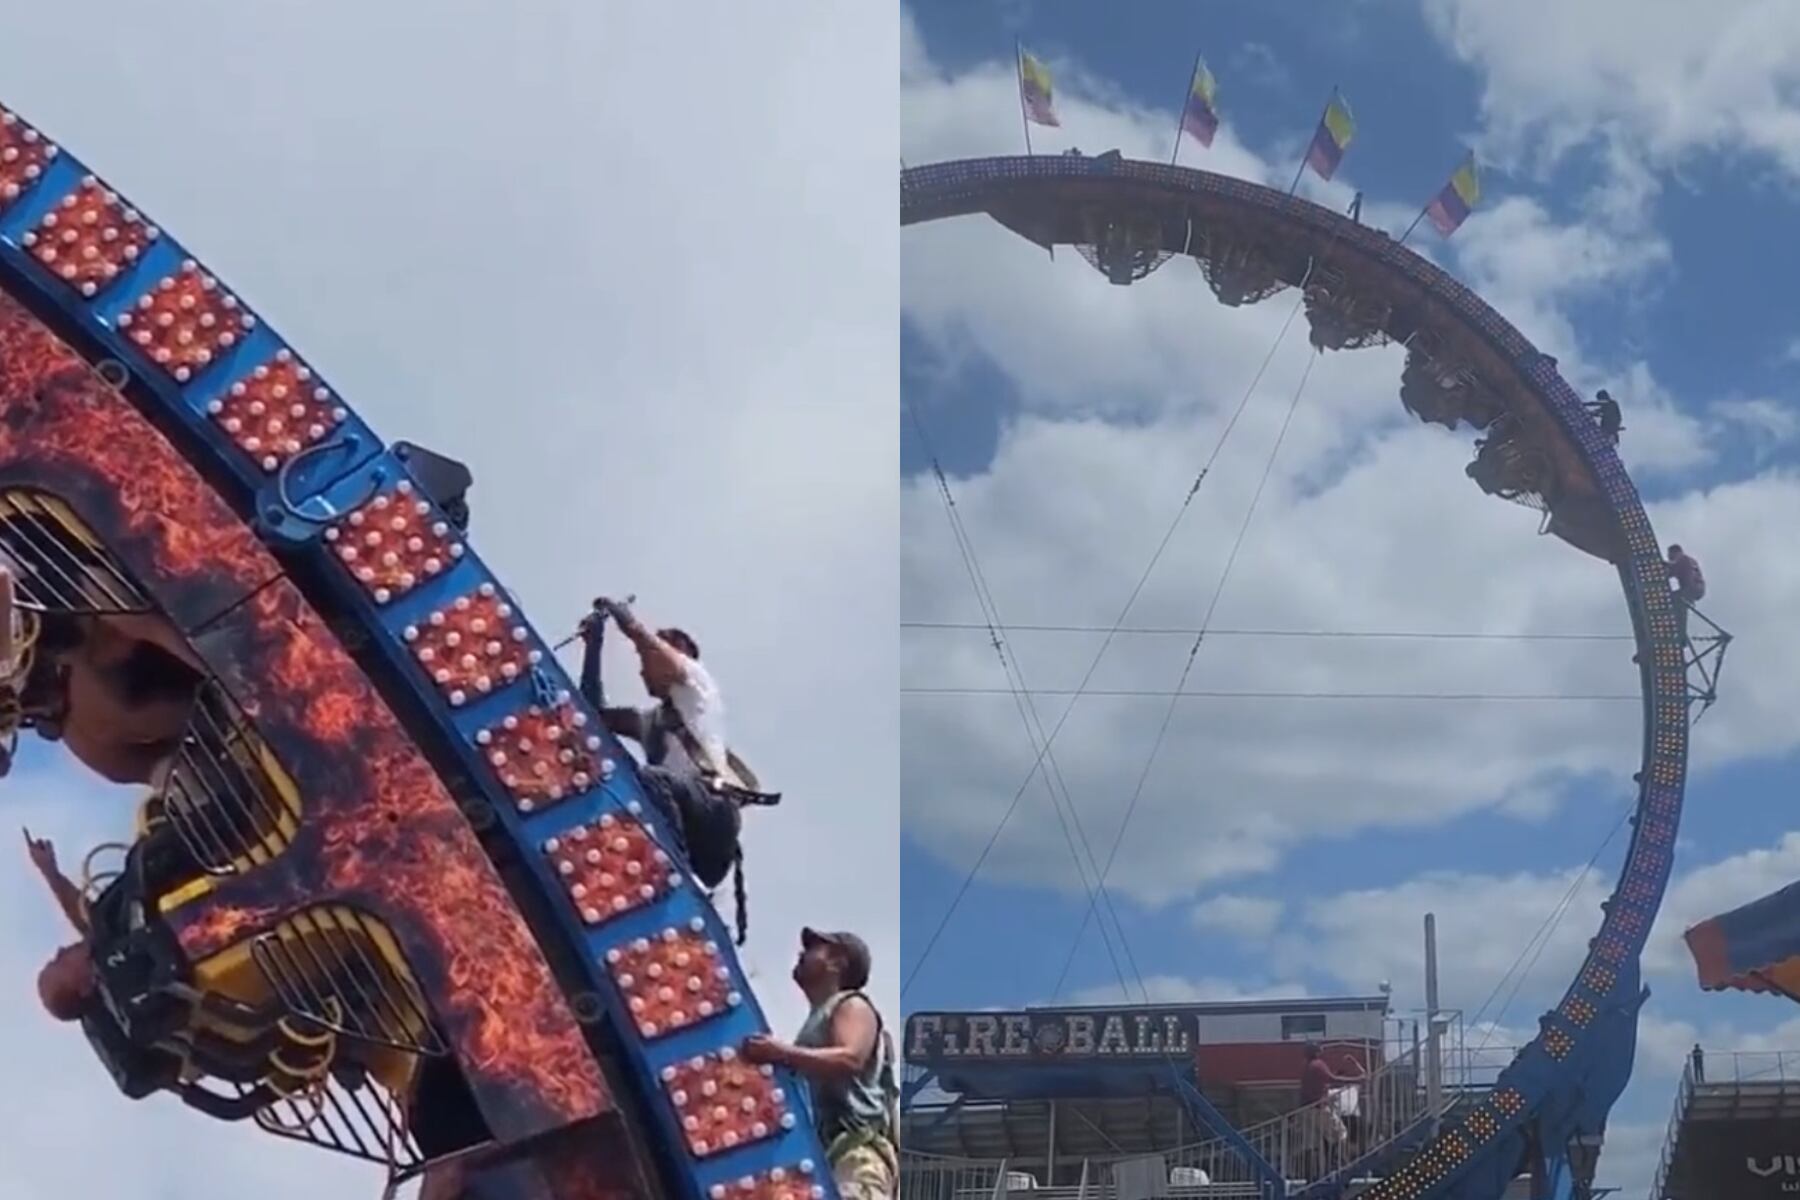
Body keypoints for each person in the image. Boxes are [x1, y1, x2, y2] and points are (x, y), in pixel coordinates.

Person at [577, 597, 768, 945]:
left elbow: (646, 643)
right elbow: (593, 714)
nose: (641, 670)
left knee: (650, 779)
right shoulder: (651, 721)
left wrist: (622, 616)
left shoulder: (697, 686)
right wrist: (594, 646)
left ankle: (674, 873)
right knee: (637, 784)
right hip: (692, 827)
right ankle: (670, 871)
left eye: (645, 660)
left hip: (713, 814)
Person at [0, 566, 207, 784]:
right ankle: (183, 782)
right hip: (58, 664)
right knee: (98, 741)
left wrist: (3, 672)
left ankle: (214, 670)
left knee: (123, 629)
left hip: (71, 587)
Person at [742, 929, 897, 1200]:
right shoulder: (817, 1019)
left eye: (815, 948)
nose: (802, 953)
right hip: (829, 1155)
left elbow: (850, 1058)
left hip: (856, 1152)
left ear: (837, 962)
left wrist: (781, 1053)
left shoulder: (852, 1004)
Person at [1296, 1041, 1364, 1179]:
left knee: (1319, 1140)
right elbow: (1332, 1078)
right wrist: (1355, 1079)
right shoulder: (1318, 1064)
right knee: (1340, 1133)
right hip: (1318, 1108)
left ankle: (1319, 1172)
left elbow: (1322, 1082)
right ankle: (1339, 1166)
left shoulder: (1306, 1066)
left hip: (1306, 1109)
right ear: (1316, 1051)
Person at [1667, 544, 1705, 638]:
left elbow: (1671, 571)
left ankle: (1680, 634)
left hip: (1690, 588)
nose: (1669, 557)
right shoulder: (1690, 560)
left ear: (1675, 552)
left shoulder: (1682, 559)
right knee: (1679, 602)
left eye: (1670, 555)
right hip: (1697, 587)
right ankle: (1680, 632)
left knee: (1675, 601)